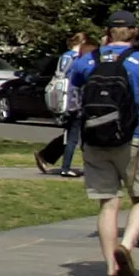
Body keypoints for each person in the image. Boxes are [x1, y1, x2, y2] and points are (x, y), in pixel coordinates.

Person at [69, 9, 139, 276]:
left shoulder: (90, 60)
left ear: (108, 32)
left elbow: (76, 85)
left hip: (95, 139)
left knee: (108, 203)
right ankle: (125, 244)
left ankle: (112, 269)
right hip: (131, 137)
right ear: (135, 32)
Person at [49, 31, 91, 177]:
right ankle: (67, 167)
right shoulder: (78, 58)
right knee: (77, 136)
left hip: (63, 99)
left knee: (71, 135)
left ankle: (65, 165)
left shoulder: (64, 57)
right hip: (75, 100)